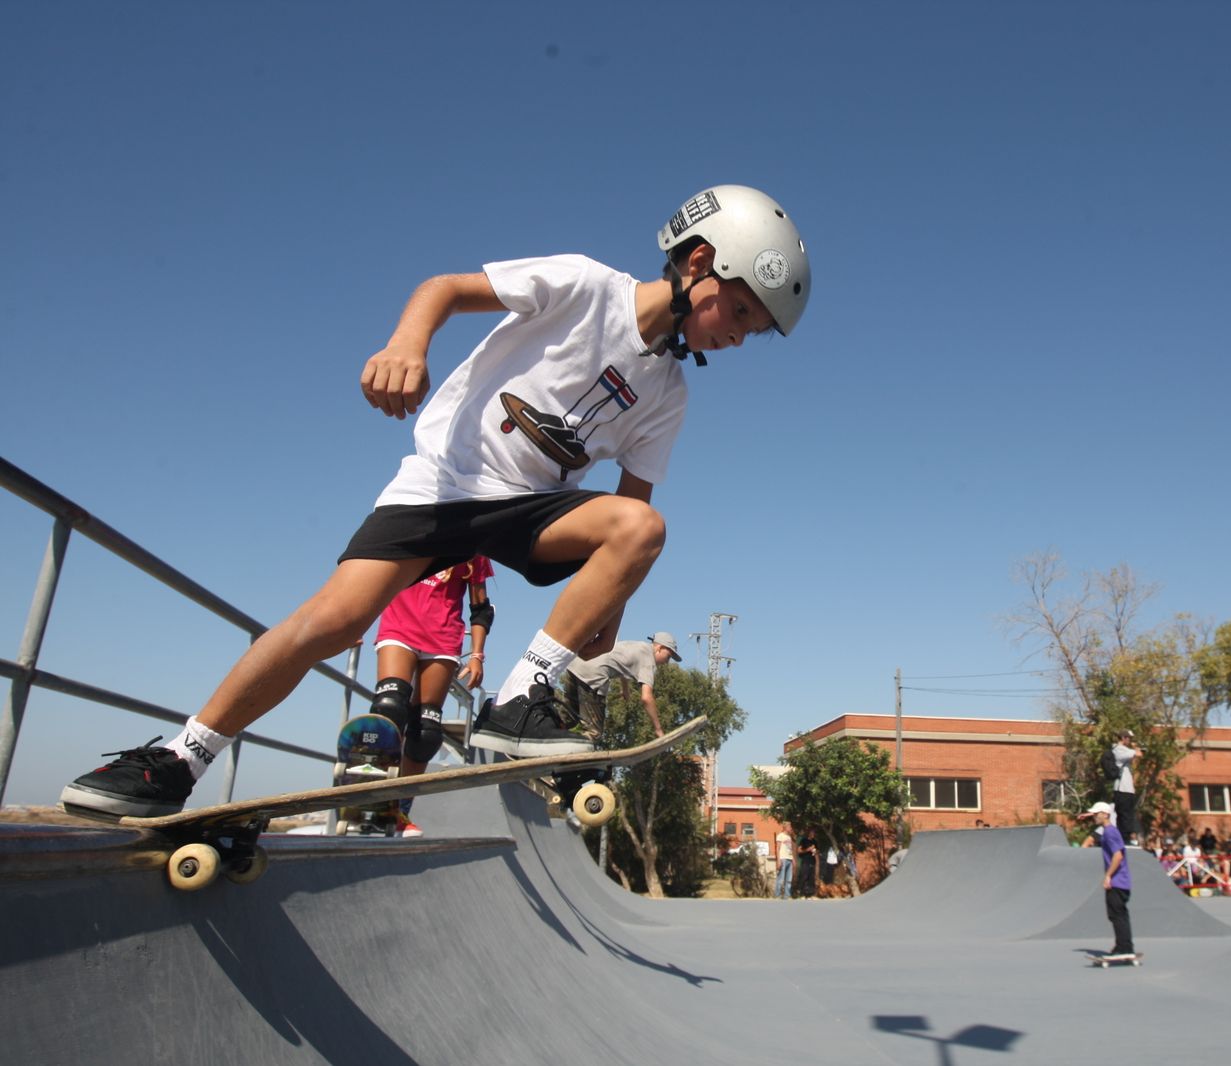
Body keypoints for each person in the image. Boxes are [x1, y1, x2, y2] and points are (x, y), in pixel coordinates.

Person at [60, 185, 812, 818]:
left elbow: (630, 514)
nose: (741, 339)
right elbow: (445, 290)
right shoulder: (586, 286)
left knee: (645, 525)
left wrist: (590, 649)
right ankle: (179, 759)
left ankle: (520, 701)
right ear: (701, 263)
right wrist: (406, 346)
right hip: (443, 483)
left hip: (530, 509)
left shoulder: (668, 395)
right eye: (742, 315)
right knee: (333, 620)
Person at [369, 554, 496, 836]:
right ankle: (371, 789)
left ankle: (399, 807)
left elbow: (481, 609)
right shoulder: (415, 523)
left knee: (425, 731)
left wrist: (477, 655)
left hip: (442, 638)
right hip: (398, 627)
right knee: (390, 706)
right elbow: (372, 575)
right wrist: (351, 621)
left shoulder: (475, 549)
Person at [559, 631, 681, 739]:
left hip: (575, 664)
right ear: (659, 648)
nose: (667, 662)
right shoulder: (648, 660)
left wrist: (625, 689)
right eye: (668, 656)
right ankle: (574, 759)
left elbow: (621, 664)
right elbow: (646, 698)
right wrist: (658, 730)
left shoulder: (637, 646)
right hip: (593, 675)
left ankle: (549, 741)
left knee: (568, 719)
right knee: (593, 733)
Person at [1084, 801, 1134, 957]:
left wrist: (1108, 876)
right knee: (1117, 914)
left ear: (1105, 814)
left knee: (1117, 914)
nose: (1094, 817)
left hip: (1117, 881)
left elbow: (1118, 856)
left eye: (1096, 814)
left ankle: (1124, 948)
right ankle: (1124, 945)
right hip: (1120, 881)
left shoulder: (1110, 832)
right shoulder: (1107, 831)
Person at [1109, 729, 1141, 846]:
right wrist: (1135, 747)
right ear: (1123, 738)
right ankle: (1125, 840)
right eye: (1128, 738)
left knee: (1126, 815)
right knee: (1125, 816)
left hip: (1125, 789)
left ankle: (1125, 838)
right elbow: (1138, 754)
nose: (1130, 740)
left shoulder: (1122, 751)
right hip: (1122, 789)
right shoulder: (1119, 749)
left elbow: (1133, 759)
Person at [773, 828, 794, 899]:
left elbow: (790, 849)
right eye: (790, 826)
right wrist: (778, 860)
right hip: (783, 858)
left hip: (789, 858)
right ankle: (777, 894)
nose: (791, 828)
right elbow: (778, 848)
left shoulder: (789, 837)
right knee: (781, 878)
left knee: (789, 879)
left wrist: (793, 859)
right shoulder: (780, 836)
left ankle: (787, 895)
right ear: (786, 827)